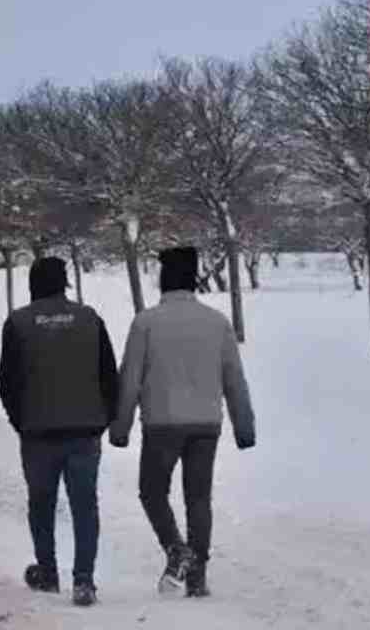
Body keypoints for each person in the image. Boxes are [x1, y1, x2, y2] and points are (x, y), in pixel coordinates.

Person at [109, 247, 256, 599]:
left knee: (152, 491)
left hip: (162, 424)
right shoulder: (217, 322)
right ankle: (197, 577)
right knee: (199, 498)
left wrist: (120, 426)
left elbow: (129, 380)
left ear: (164, 280)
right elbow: (234, 379)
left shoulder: (145, 323)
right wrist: (244, 426)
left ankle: (176, 549)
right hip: (207, 424)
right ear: (193, 280)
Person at [0, 257, 119, 608]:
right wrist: (102, 419)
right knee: (85, 506)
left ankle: (48, 572)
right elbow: (109, 376)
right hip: (84, 431)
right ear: (64, 284)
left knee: (41, 503)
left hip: (37, 433)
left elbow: (7, 381)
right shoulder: (90, 318)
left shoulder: (18, 322)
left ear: (33, 285)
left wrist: (21, 420)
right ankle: (84, 580)